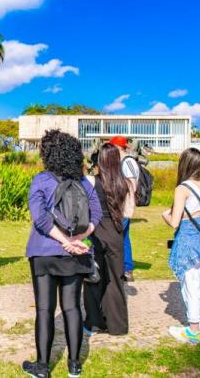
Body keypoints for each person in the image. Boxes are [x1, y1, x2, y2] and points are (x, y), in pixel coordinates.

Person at [23, 130, 102, 378]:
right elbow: (96, 214)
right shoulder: (84, 182)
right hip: (74, 254)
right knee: (72, 308)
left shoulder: (41, 180)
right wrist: (77, 239)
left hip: (43, 252)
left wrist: (64, 239)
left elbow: (41, 219)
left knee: (44, 309)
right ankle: (75, 364)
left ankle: (42, 367)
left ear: (48, 154)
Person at [162, 148, 200, 343]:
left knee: (191, 286)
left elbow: (175, 222)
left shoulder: (182, 188)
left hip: (190, 240)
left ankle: (193, 331)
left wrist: (165, 215)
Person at [82, 143, 129, 336]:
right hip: (116, 233)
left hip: (97, 233)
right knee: (116, 281)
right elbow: (127, 211)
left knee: (93, 279)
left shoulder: (92, 181)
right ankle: (118, 325)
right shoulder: (123, 183)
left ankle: (94, 321)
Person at [109, 136, 137, 282]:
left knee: (117, 237)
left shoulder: (127, 162)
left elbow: (131, 185)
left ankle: (120, 268)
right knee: (124, 237)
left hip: (123, 207)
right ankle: (127, 269)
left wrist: (128, 206)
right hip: (124, 206)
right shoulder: (125, 161)